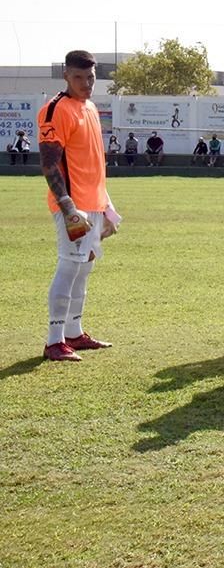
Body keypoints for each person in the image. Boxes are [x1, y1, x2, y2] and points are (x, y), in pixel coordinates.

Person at [36, 50, 118, 361]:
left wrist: (106, 204)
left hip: (94, 204)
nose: (86, 83)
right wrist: (68, 205)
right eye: (78, 77)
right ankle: (54, 340)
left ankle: (74, 332)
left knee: (84, 269)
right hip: (73, 207)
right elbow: (48, 163)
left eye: (91, 77)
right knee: (69, 267)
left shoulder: (91, 108)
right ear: (66, 76)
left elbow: (91, 161)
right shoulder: (55, 109)